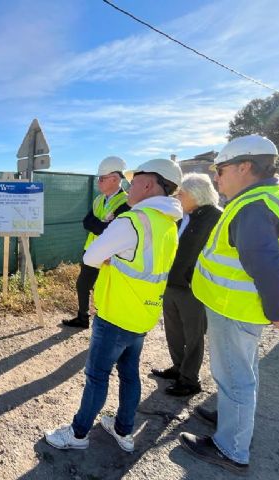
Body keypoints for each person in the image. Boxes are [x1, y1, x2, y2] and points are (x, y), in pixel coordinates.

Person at [45, 158, 183, 452]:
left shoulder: (132, 220)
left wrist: (109, 257)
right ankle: (123, 431)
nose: (129, 186)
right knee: (129, 375)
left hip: (116, 313)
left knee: (97, 376)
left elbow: (91, 257)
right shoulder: (168, 224)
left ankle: (78, 434)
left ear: (149, 185)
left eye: (134, 181)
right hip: (143, 313)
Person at [179, 135, 279, 475]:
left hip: (234, 307)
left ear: (245, 167)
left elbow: (265, 263)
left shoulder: (254, 206)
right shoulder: (273, 198)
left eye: (221, 170)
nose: (216, 177)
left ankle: (230, 448)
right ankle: (233, 419)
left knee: (235, 377)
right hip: (239, 306)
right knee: (242, 371)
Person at [151, 173, 222, 396]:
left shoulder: (216, 218)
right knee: (173, 330)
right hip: (171, 282)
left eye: (181, 193)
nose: (177, 196)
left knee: (193, 336)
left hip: (194, 288)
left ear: (196, 195)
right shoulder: (182, 216)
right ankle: (178, 368)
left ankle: (190, 380)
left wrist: (194, 278)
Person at [64, 156, 131, 329]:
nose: (98, 181)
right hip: (92, 250)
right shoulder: (99, 199)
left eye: (102, 178)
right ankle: (83, 318)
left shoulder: (127, 202)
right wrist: (102, 224)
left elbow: (114, 230)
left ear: (115, 179)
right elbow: (87, 222)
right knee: (83, 285)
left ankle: (106, 321)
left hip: (110, 255)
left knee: (106, 289)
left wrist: (101, 225)